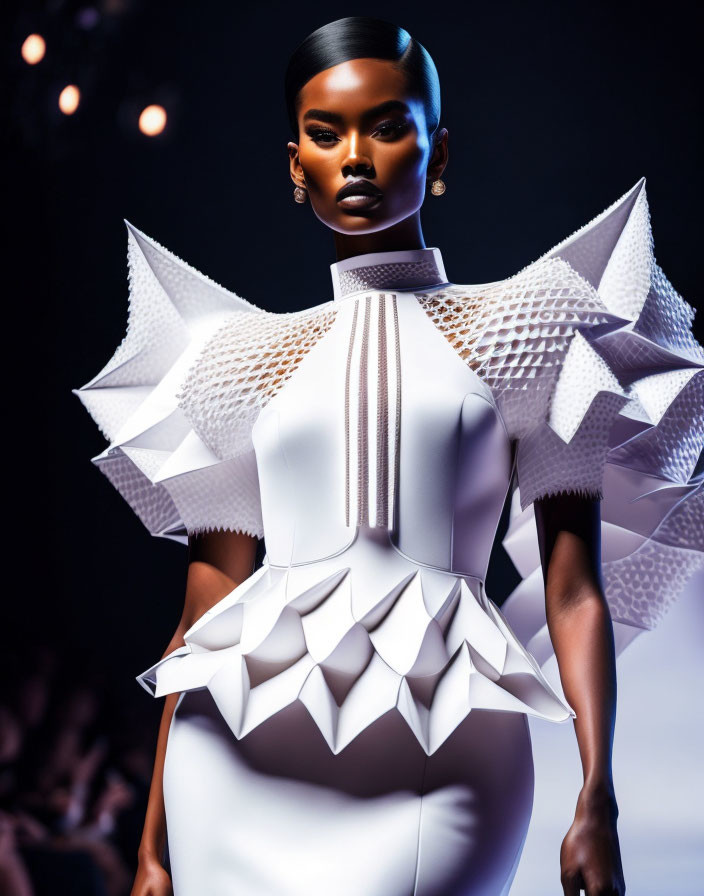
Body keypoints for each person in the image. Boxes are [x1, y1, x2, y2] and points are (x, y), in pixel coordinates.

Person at [75, 16, 703, 896]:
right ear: (296, 165)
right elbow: (204, 613)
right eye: (326, 135)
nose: (357, 157)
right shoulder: (234, 360)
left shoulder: (528, 329)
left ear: (437, 152)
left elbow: (572, 587)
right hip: (235, 757)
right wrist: (153, 847)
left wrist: (596, 800)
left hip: (447, 743)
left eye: (388, 125)